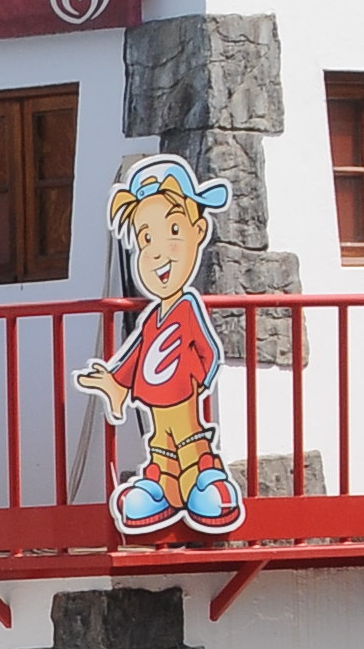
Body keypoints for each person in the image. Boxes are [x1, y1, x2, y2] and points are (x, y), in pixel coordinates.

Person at [69, 153, 246, 541]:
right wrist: (115, 386)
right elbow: (131, 362)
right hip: (158, 432)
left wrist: (195, 377)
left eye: (173, 232)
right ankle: (163, 486)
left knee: (192, 456)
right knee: (159, 457)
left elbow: (208, 355)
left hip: (187, 423)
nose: (159, 252)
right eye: (146, 239)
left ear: (198, 231)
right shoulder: (150, 320)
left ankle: (201, 478)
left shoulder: (187, 308)